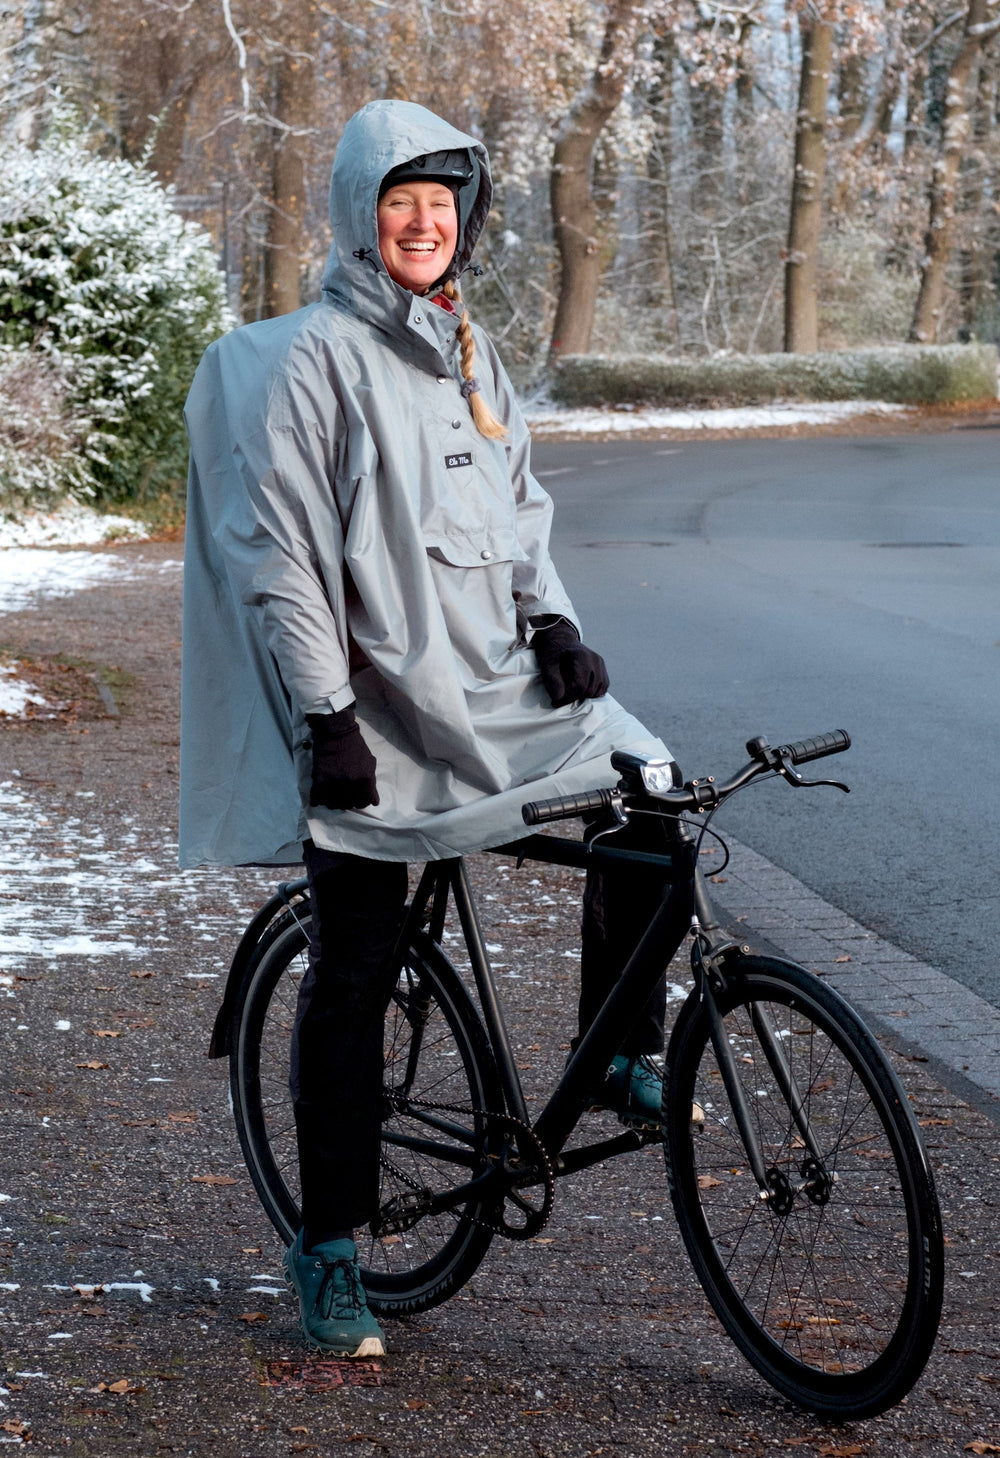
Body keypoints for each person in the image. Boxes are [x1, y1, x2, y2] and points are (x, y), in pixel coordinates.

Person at [180, 99, 678, 1361]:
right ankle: (329, 1247)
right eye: (399, 200)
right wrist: (325, 716)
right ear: (361, 215)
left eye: (441, 203)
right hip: (376, 712)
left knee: (658, 799)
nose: (422, 223)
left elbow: (518, 509)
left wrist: (551, 622)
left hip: (493, 686)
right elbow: (281, 558)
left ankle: (621, 1050)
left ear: (467, 221)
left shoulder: (470, 350)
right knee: (356, 966)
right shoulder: (313, 362)